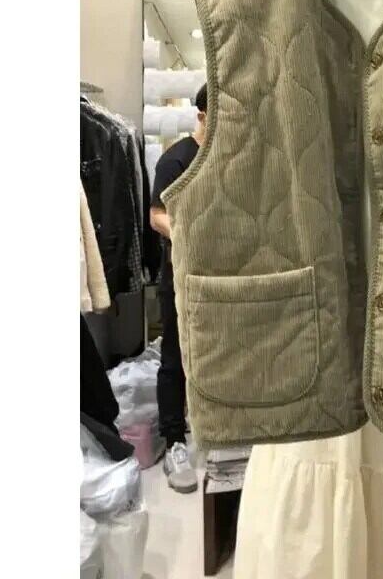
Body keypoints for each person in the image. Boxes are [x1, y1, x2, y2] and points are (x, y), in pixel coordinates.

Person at [148, 83, 207, 493]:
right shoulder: (177, 159)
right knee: (176, 354)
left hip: (220, 278)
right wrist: (190, 237)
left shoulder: (226, 157)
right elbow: (156, 216)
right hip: (180, 275)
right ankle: (174, 442)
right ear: (201, 116)